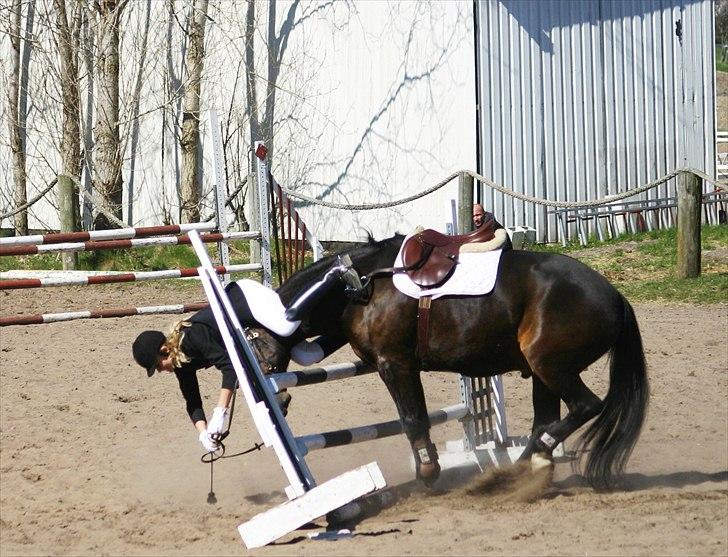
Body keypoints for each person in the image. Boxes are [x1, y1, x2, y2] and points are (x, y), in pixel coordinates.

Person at [132, 261, 352, 453]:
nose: (160, 370)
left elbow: (231, 368)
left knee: (286, 326)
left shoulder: (192, 336)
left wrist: (220, 412)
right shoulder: (182, 364)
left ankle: (334, 271)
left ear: (164, 350)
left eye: (157, 366)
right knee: (307, 356)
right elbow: (192, 401)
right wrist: (203, 432)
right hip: (247, 317)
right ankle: (348, 329)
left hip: (246, 298)